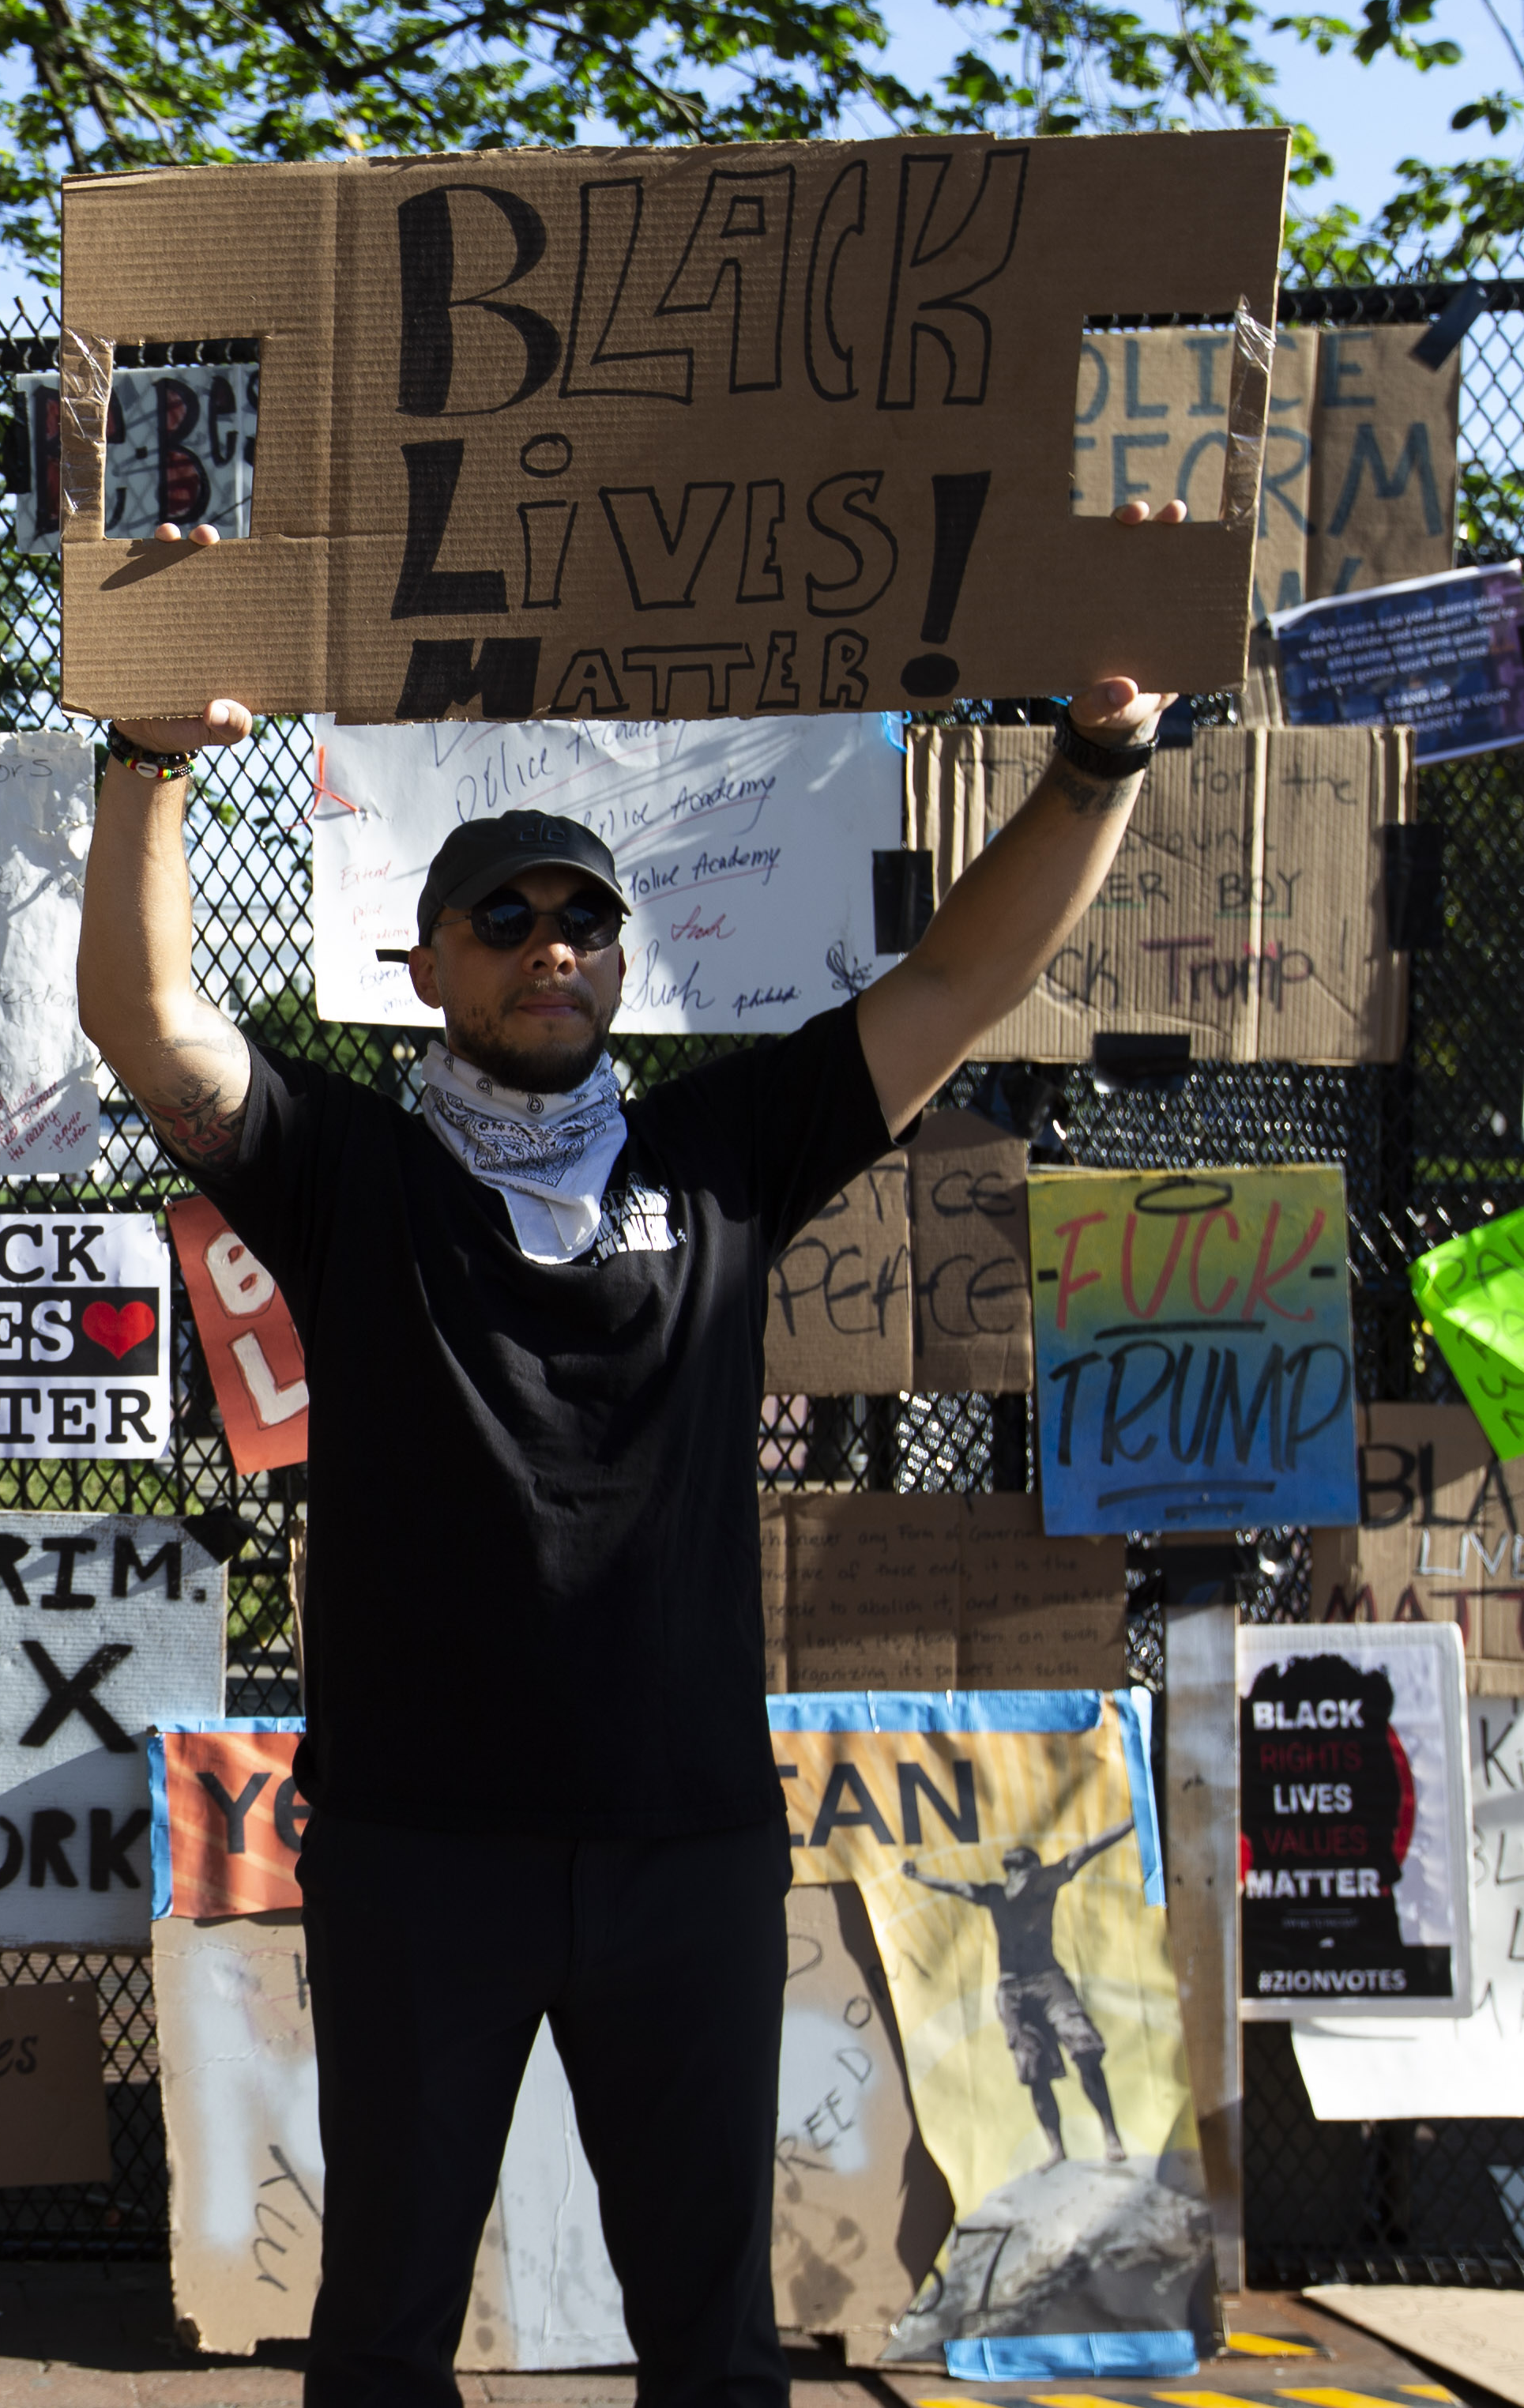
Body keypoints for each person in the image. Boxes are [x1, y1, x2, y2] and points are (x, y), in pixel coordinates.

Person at [73, 503, 1194, 2408]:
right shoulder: (355, 1172)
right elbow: (148, 1021)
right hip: (421, 1848)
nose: (548, 943)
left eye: (580, 913)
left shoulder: (720, 1149)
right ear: (424, 967)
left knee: (711, 2342)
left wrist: (1097, 754)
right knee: (383, 2337)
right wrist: (148, 760)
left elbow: (960, 985)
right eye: (499, 917)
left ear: (621, 956)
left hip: (686, 1846)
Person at [901, 1826, 1137, 2166]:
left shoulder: (1045, 1882)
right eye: (1010, 1872)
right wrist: (919, 1875)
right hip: (1012, 1990)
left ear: (1031, 1869)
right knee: (1033, 2069)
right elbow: (958, 1887)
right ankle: (1056, 2149)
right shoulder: (995, 1895)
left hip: (1048, 1980)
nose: (1015, 1878)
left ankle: (1110, 2136)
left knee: (1084, 2050)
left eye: (1020, 1871)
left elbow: (1088, 1849)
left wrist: (1133, 1820)